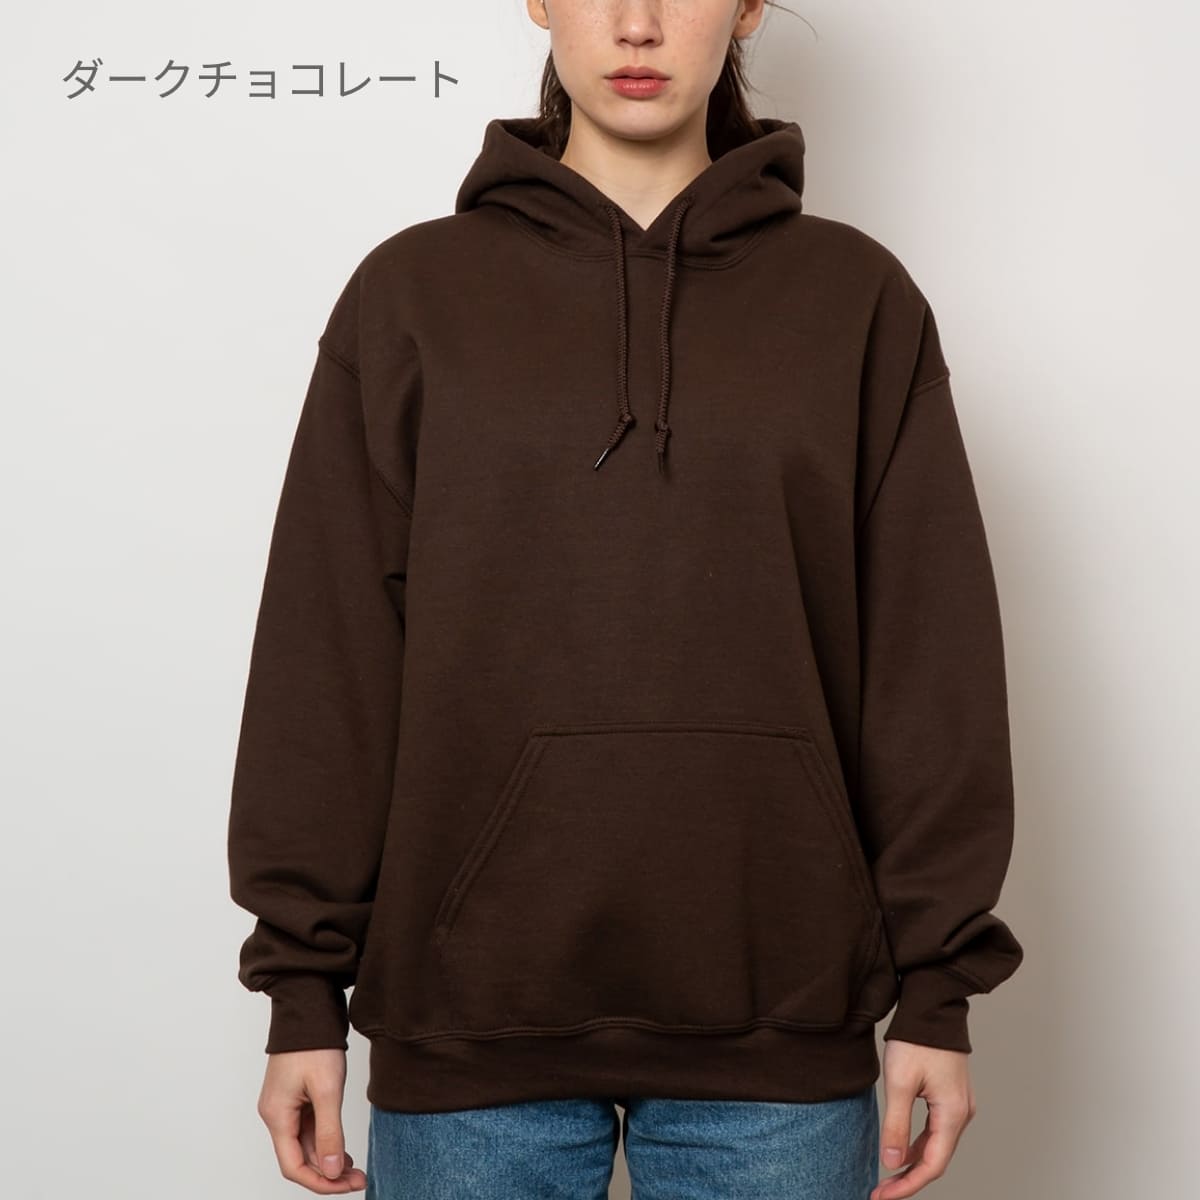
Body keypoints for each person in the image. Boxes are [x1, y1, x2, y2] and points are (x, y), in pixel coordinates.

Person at [226, 1, 1025, 1197]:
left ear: (746, 8)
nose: (639, 23)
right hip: (468, 1028)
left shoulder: (856, 299)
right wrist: (302, 990)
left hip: (780, 1025)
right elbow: (329, 653)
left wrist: (937, 989)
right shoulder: (413, 296)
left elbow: (928, 657)